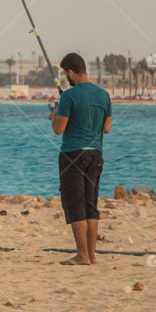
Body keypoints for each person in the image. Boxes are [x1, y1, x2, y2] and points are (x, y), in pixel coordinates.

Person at [49, 52, 112, 266]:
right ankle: (92, 255)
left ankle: (82, 256)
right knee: (90, 204)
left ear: (70, 72)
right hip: (96, 154)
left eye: (66, 75)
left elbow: (59, 130)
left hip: (73, 153)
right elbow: (107, 127)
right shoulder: (103, 95)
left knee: (75, 204)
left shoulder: (69, 96)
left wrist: (55, 115)